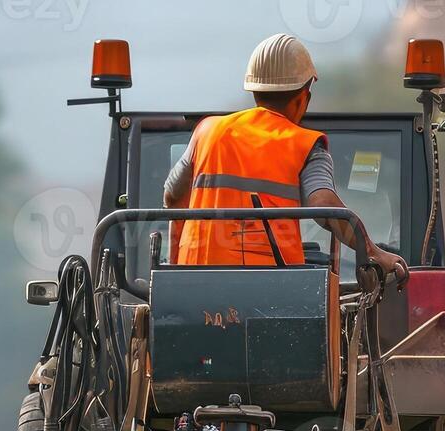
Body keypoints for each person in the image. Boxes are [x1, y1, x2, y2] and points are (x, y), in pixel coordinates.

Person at [164, 33, 409, 280]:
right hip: (273, 291)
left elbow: (173, 196)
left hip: (194, 284)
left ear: (254, 90)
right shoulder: (306, 144)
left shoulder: (207, 131)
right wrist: (374, 252)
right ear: (304, 97)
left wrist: (174, 269)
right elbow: (324, 206)